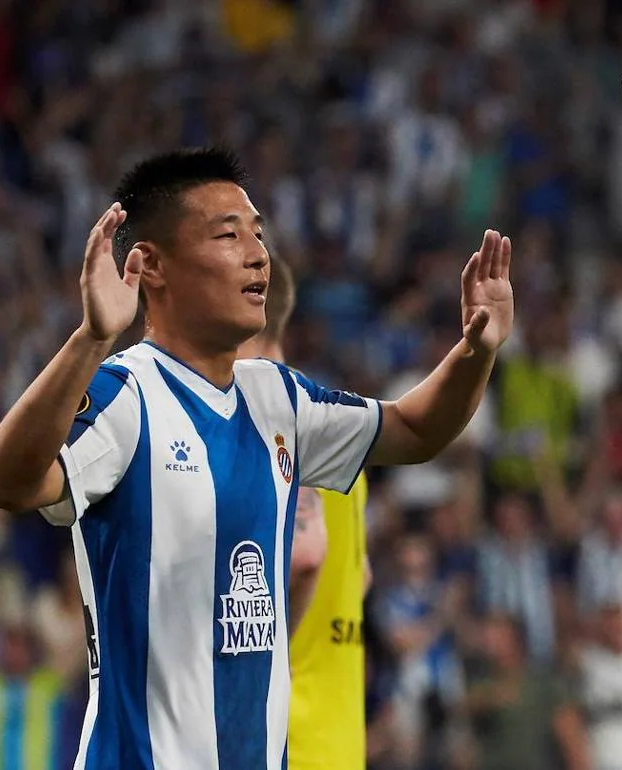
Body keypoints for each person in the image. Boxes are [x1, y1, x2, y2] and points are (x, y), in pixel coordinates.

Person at [0, 147, 515, 769]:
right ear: (150, 265)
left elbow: (417, 430)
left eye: (258, 234)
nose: (257, 254)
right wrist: (92, 338)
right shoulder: (126, 395)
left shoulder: (277, 397)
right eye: (228, 235)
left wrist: (477, 349)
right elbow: (8, 484)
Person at [235, 256, 371, 770]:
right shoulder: (337, 422)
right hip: (338, 739)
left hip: (285, 740)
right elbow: (358, 577)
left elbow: (308, 553)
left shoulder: (273, 417)